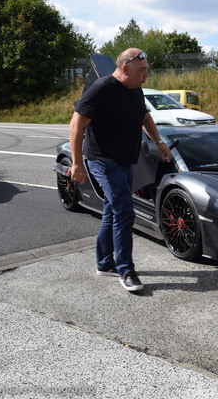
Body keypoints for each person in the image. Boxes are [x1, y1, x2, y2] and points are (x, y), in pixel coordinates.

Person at [69, 48, 172, 293]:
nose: (146, 75)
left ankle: (104, 263)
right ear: (125, 68)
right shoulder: (101, 89)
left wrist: (158, 141)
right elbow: (76, 124)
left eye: (147, 70)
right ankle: (126, 270)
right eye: (142, 70)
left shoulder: (135, 89)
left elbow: (144, 115)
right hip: (104, 162)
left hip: (125, 161)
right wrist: (76, 163)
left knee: (113, 211)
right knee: (125, 210)